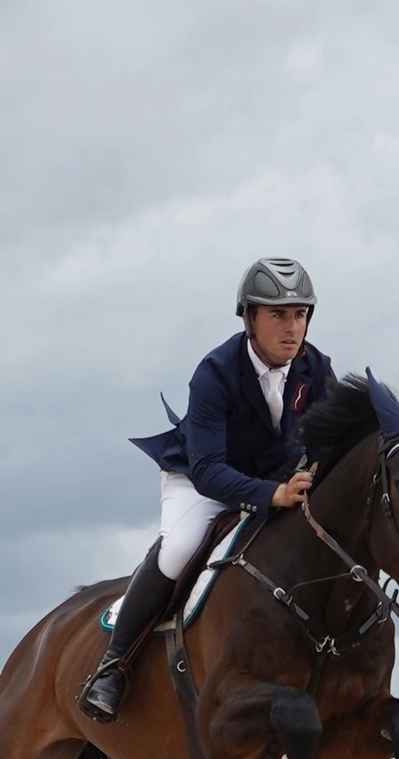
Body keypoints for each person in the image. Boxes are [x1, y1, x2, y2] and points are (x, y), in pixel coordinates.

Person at [80, 258, 333, 722]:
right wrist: (272, 495)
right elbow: (209, 469)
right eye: (278, 315)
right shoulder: (215, 372)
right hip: (202, 480)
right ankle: (112, 667)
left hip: (276, 480)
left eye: (299, 314)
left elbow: (330, 443)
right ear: (249, 318)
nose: (292, 327)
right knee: (178, 547)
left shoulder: (316, 369)